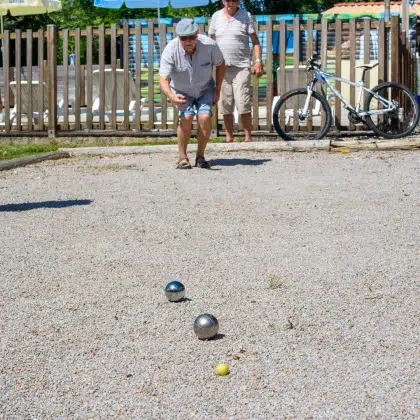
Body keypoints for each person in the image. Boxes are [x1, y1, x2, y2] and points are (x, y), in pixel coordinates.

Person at [159, 18, 226, 169]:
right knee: (187, 117)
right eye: (183, 38)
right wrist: (172, 96)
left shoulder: (210, 45)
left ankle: (200, 156)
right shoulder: (170, 50)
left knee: (205, 117)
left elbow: (221, 65)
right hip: (181, 90)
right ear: (178, 37)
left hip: (205, 89)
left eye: (191, 37)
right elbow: (163, 79)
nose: (188, 41)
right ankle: (182, 157)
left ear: (197, 34)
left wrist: (217, 90)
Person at [209, 0, 263, 143]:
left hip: (242, 67)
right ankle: (228, 137)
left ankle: (248, 137)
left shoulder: (246, 16)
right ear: (223, 1)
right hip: (222, 68)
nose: (230, 3)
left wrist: (258, 62)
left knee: (242, 102)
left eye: (233, 0)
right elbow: (210, 43)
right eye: (227, 0)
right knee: (225, 104)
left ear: (238, 1)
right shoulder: (216, 17)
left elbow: (255, 42)